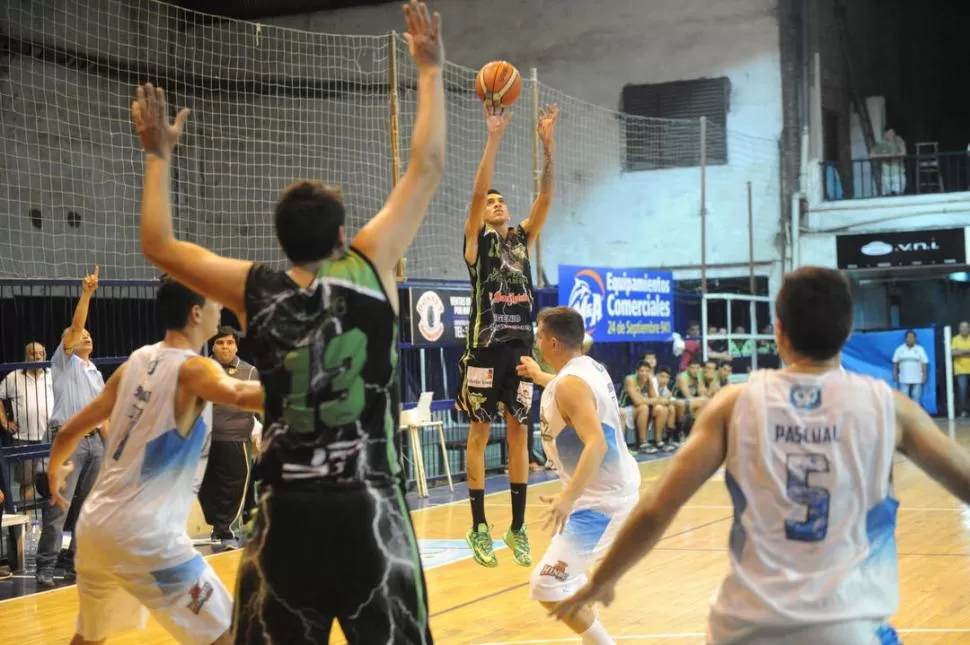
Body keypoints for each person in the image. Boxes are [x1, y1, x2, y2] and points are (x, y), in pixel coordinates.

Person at [131, 3, 445, 642]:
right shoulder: (368, 266)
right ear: (340, 234)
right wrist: (430, 71)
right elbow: (428, 166)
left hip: (285, 521)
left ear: (279, 242)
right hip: (369, 509)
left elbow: (160, 245)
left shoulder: (256, 289)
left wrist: (159, 155)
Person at [551, 267, 970, 644]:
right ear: (847, 333)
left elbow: (659, 507)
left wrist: (602, 581)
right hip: (850, 627)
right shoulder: (890, 408)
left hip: (747, 627)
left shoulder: (735, 404)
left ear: (779, 332)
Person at [46, 276, 264, 645]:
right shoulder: (196, 368)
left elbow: (69, 429)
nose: (218, 311)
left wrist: (54, 469)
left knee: (89, 638)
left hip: (96, 527)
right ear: (196, 314)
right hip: (145, 534)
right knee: (227, 633)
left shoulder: (136, 361)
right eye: (213, 304)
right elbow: (244, 395)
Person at [456, 92, 559, 568]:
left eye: (501, 201)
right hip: (483, 351)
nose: (496, 204)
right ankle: (479, 525)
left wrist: (548, 147)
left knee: (519, 435)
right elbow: (476, 195)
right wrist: (493, 138)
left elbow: (544, 198)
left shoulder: (520, 240)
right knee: (479, 436)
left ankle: (516, 528)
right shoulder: (477, 246)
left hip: (519, 352)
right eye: (491, 202)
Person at [518, 307, 640, 645]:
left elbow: (597, 444)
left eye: (539, 336)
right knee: (570, 581)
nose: (537, 342)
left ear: (554, 343)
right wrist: (539, 376)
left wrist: (567, 497)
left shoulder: (569, 384)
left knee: (548, 584)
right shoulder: (587, 367)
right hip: (606, 492)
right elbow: (566, 389)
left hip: (601, 503)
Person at [37, 266, 106, 587]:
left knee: (90, 508)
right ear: (69, 341)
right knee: (58, 507)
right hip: (69, 440)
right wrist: (87, 293)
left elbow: (103, 416)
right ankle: (45, 568)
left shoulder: (95, 373)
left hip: (95, 443)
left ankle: (78, 564)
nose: (85, 335)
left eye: (90, 334)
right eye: (80, 335)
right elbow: (78, 324)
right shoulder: (64, 362)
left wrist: (113, 448)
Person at [199, 326, 260, 549]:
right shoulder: (200, 369)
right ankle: (217, 523)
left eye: (230, 342)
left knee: (235, 485)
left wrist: (259, 430)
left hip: (236, 437)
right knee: (205, 488)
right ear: (212, 346)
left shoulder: (250, 371)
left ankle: (226, 530)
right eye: (220, 343)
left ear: (236, 345)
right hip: (203, 440)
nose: (225, 347)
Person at [892, 330, 928, 403]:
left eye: (912, 337)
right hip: (904, 377)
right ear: (905, 339)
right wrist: (894, 373)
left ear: (915, 339)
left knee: (916, 396)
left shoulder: (920, 349)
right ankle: (905, 413)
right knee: (904, 397)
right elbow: (895, 362)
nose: (910, 339)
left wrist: (924, 376)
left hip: (917, 377)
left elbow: (924, 363)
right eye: (909, 337)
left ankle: (915, 413)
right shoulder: (899, 349)